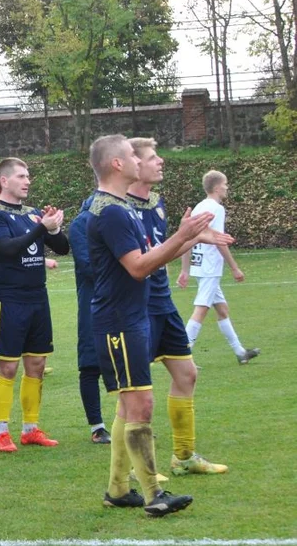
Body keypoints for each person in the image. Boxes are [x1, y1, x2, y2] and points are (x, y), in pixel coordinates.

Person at [85, 135, 231, 518]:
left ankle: (120, 490)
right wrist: (184, 237)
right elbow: (137, 267)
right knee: (139, 404)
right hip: (119, 319)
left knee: (136, 401)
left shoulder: (121, 207)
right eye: (133, 155)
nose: (141, 159)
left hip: (130, 316)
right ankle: (153, 494)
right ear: (118, 164)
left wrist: (187, 237)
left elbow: (147, 255)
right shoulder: (111, 211)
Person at [127, 139, 228, 475]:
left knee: (187, 373)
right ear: (131, 164)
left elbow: (161, 250)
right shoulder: (118, 209)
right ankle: (134, 469)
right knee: (134, 395)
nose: (161, 161)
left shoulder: (156, 202)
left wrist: (193, 238)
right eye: (153, 157)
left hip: (162, 302)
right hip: (135, 308)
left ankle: (183, 458)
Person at [0, 158, 70, 453]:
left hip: (37, 297)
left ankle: (30, 429)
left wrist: (53, 229)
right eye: (21, 176)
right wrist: (40, 229)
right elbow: (6, 249)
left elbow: (63, 248)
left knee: (38, 365)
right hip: (10, 298)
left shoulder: (32, 214)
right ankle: (1, 432)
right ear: (4, 181)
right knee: (7, 367)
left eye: (28, 175)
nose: (27, 181)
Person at [178, 170, 260, 365]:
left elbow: (185, 237)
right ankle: (183, 356)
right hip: (209, 267)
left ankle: (240, 352)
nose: (227, 187)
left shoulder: (199, 206)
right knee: (201, 310)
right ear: (216, 187)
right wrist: (234, 267)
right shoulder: (216, 208)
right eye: (225, 184)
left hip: (200, 264)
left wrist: (185, 269)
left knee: (222, 310)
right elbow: (219, 241)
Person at [68, 196, 111, 444]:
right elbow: (88, 267)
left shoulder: (119, 216)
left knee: (125, 364)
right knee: (90, 364)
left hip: (121, 303)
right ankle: (97, 427)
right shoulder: (80, 224)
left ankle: (131, 422)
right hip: (93, 305)